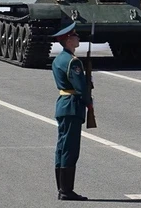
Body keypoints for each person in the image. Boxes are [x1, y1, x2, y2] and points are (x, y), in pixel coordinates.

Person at [51, 21, 93, 201]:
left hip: (64, 104)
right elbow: (80, 88)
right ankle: (66, 191)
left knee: (62, 148)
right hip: (72, 106)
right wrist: (88, 101)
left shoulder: (59, 59)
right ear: (68, 40)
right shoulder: (73, 62)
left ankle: (62, 188)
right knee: (70, 149)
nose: (78, 38)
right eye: (75, 36)